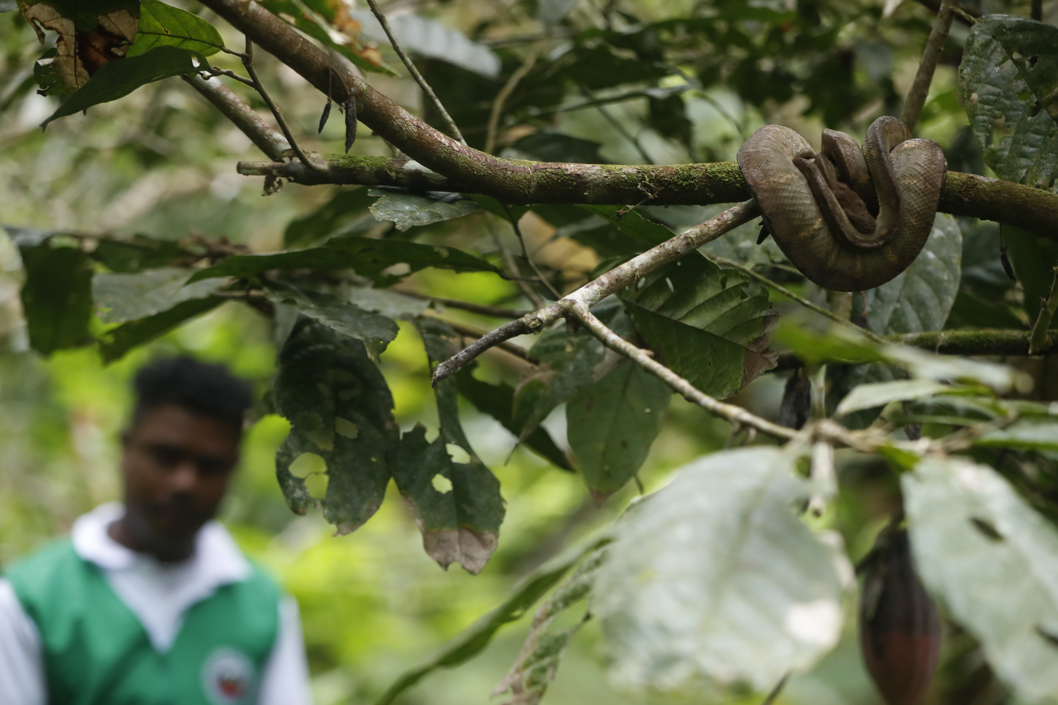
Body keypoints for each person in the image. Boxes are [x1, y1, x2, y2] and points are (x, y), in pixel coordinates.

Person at [0, 356, 312, 705]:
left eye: (209, 466)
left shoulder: (263, 606)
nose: (185, 483)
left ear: (232, 469)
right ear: (126, 447)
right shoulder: (31, 600)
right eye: (166, 456)